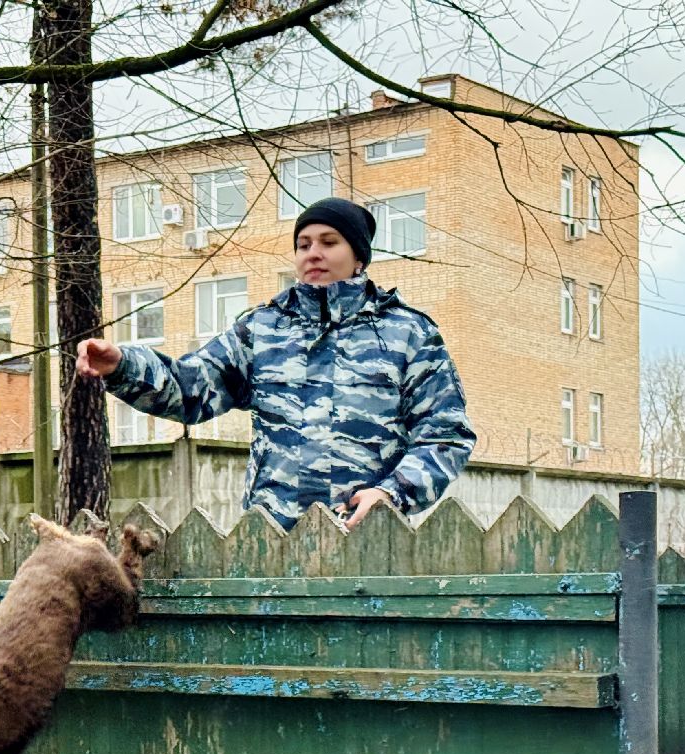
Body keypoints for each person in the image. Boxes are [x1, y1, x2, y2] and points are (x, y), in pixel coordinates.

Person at [76, 196, 475, 529]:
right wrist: (123, 365)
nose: (313, 253)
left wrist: (391, 493)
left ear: (358, 257)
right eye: (303, 244)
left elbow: (445, 434)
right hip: (274, 536)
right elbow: (191, 388)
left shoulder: (408, 333)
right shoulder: (261, 329)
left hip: (369, 536)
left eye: (329, 242)